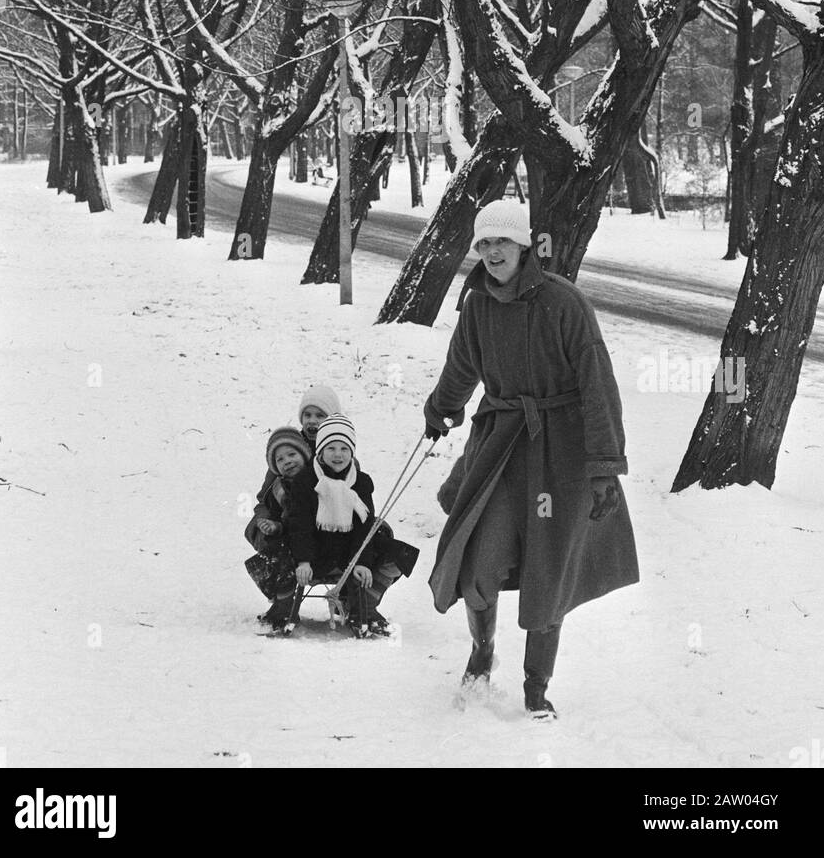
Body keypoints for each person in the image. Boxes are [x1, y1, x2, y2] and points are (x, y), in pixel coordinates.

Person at [423, 198, 639, 717]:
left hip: (560, 453)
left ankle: (535, 686)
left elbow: (597, 385)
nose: (492, 252)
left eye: (502, 241)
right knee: (479, 558)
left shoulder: (565, 304)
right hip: (499, 447)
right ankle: (482, 648)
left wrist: (605, 466)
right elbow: (460, 367)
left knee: (550, 567)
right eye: (484, 243)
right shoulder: (475, 303)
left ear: (523, 244)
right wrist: (441, 410)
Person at [285, 414, 418, 637]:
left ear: (352, 452)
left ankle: (364, 606)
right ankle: (283, 610)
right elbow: (300, 525)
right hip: (317, 555)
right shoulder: (306, 481)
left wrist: (361, 562)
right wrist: (304, 560)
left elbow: (364, 528)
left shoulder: (362, 482)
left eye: (344, 448)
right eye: (331, 448)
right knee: (279, 554)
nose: (338, 455)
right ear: (320, 451)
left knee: (400, 555)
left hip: (350, 554)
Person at [244, 427, 311, 631]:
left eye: (292, 455)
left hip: (315, 541)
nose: (287, 461)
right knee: (270, 554)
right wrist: (272, 526)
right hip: (289, 538)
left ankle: (285, 605)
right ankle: (284, 604)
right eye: (280, 460)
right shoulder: (277, 488)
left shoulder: (316, 480)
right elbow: (273, 511)